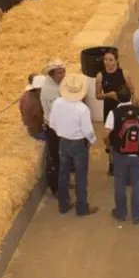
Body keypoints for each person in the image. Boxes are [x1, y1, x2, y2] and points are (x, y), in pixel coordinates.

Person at [49, 73, 98, 216]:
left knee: (63, 173)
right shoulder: (82, 109)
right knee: (80, 175)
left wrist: (62, 132)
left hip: (63, 142)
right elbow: (88, 131)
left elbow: (52, 123)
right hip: (79, 143)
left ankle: (63, 205)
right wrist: (92, 140)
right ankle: (82, 207)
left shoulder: (58, 102)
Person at [105, 91, 139, 223]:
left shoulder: (113, 113)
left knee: (119, 183)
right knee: (137, 184)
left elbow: (106, 135)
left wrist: (110, 147)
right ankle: (137, 215)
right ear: (131, 97)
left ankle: (120, 213)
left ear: (117, 98)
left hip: (120, 154)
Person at [96, 49, 136, 176]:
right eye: (105, 59)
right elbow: (97, 96)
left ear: (117, 61)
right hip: (109, 109)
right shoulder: (100, 76)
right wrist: (108, 95)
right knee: (110, 136)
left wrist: (122, 97)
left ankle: (125, 162)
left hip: (123, 109)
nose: (107, 62)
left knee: (124, 135)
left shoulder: (124, 73)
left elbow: (132, 90)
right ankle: (112, 163)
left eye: (110, 60)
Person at [40, 58, 66, 197]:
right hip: (54, 128)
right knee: (56, 158)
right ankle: (56, 188)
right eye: (60, 73)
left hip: (60, 125)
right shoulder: (49, 90)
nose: (63, 75)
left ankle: (64, 182)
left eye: (64, 72)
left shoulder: (57, 84)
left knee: (63, 158)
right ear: (52, 74)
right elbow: (57, 110)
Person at [20, 74, 46, 141]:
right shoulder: (35, 104)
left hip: (30, 126)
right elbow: (45, 120)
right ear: (39, 89)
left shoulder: (26, 95)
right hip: (38, 131)